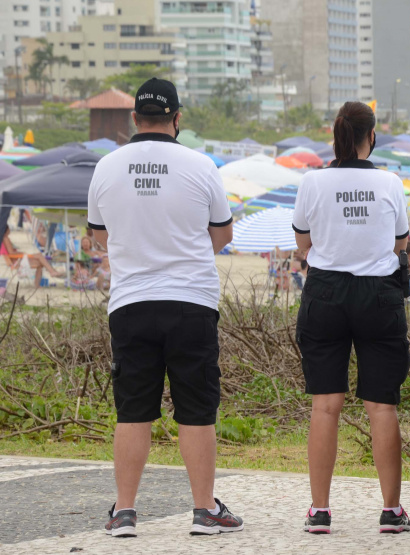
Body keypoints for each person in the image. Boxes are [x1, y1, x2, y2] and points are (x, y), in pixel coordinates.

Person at [87, 78, 243, 538]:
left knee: (132, 410)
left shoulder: (107, 167)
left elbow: (100, 236)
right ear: (178, 119)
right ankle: (204, 511)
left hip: (131, 303)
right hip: (191, 301)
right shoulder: (201, 165)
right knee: (196, 408)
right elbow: (223, 235)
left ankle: (125, 514)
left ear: (135, 119)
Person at [292, 101, 410, 535]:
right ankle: (391, 511)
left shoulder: (313, 182)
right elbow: (400, 243)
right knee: (381, 404)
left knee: (325, 405)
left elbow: (303, 242)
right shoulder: (390, 182)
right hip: (377, 295)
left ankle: (320, 511)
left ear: (336, 135)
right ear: (372, 136)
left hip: (325, 292)